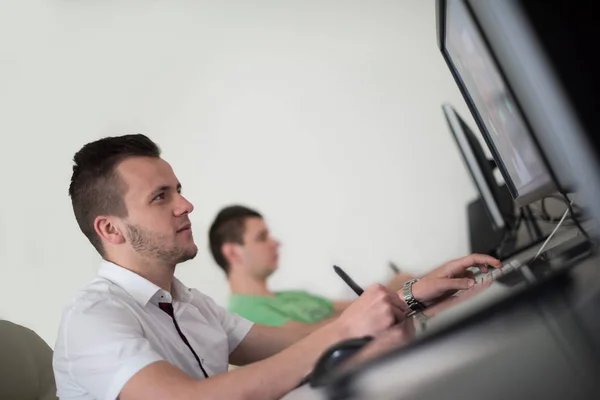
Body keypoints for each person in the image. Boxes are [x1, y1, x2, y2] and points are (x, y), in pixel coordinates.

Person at [53, 134, 500, 400]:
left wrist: (410, 298)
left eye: (178, 190)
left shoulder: (190, 304)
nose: (186, 205)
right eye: (160, 197)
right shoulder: (92, 319)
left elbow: (294, 341)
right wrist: (345, 331)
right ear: (110, 229)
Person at [208, 205, 485, 330]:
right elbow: (322, 336)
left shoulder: (288, 297)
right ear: (233, 253)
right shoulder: (245, 315)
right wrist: (411, 291)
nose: (275, 242)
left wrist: (438, 273)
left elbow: (358, 305)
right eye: (262, 238)